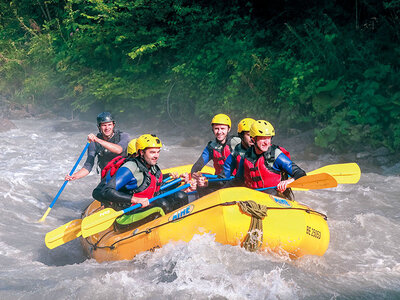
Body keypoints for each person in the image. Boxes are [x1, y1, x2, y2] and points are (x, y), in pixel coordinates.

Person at [92, 134, 195, 229]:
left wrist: (181, 186)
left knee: (180, 196)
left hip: (142, 209)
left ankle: (183, 227)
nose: (156, 156)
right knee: (161, 204)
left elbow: (154, 192)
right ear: (141, 152)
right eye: (152, 152)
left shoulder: (153, 168)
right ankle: (167, 232)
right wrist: (135, 199)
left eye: (158, 152)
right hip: (125, 215)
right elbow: (106, 191)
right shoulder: (130, 168)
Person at [230, 120, 306, 200]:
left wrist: (288, 181)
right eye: (262, 138)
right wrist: (221, 191)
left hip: (274, 198)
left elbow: (300, 173)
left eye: (268, 138)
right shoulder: (246, 156)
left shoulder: (276, 155)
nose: (267, 142)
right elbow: (238, 180)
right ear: (253, 139)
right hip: (252, 198)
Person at [65, 112, 130, 181]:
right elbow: (88, 166)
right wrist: (75, 176)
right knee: (96, 192)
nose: (107, 128)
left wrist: (98, 140)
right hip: (106, 178)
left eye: (109, 125)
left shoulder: (123, 136)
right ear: (99, 127)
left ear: (113, 125)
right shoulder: (94, 143)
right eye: (104, 125)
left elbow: (119, 150)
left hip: (123, 176)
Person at [190, 114, 241, 196]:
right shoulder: (211, 147)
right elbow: (199, 164)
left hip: (234, 180)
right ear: (213, 130)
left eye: (223, 128)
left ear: (229, 129)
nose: (219, 132)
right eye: (216, 129)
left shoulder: (237, 143)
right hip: (218, 181)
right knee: (200, 186)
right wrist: (194, 173)